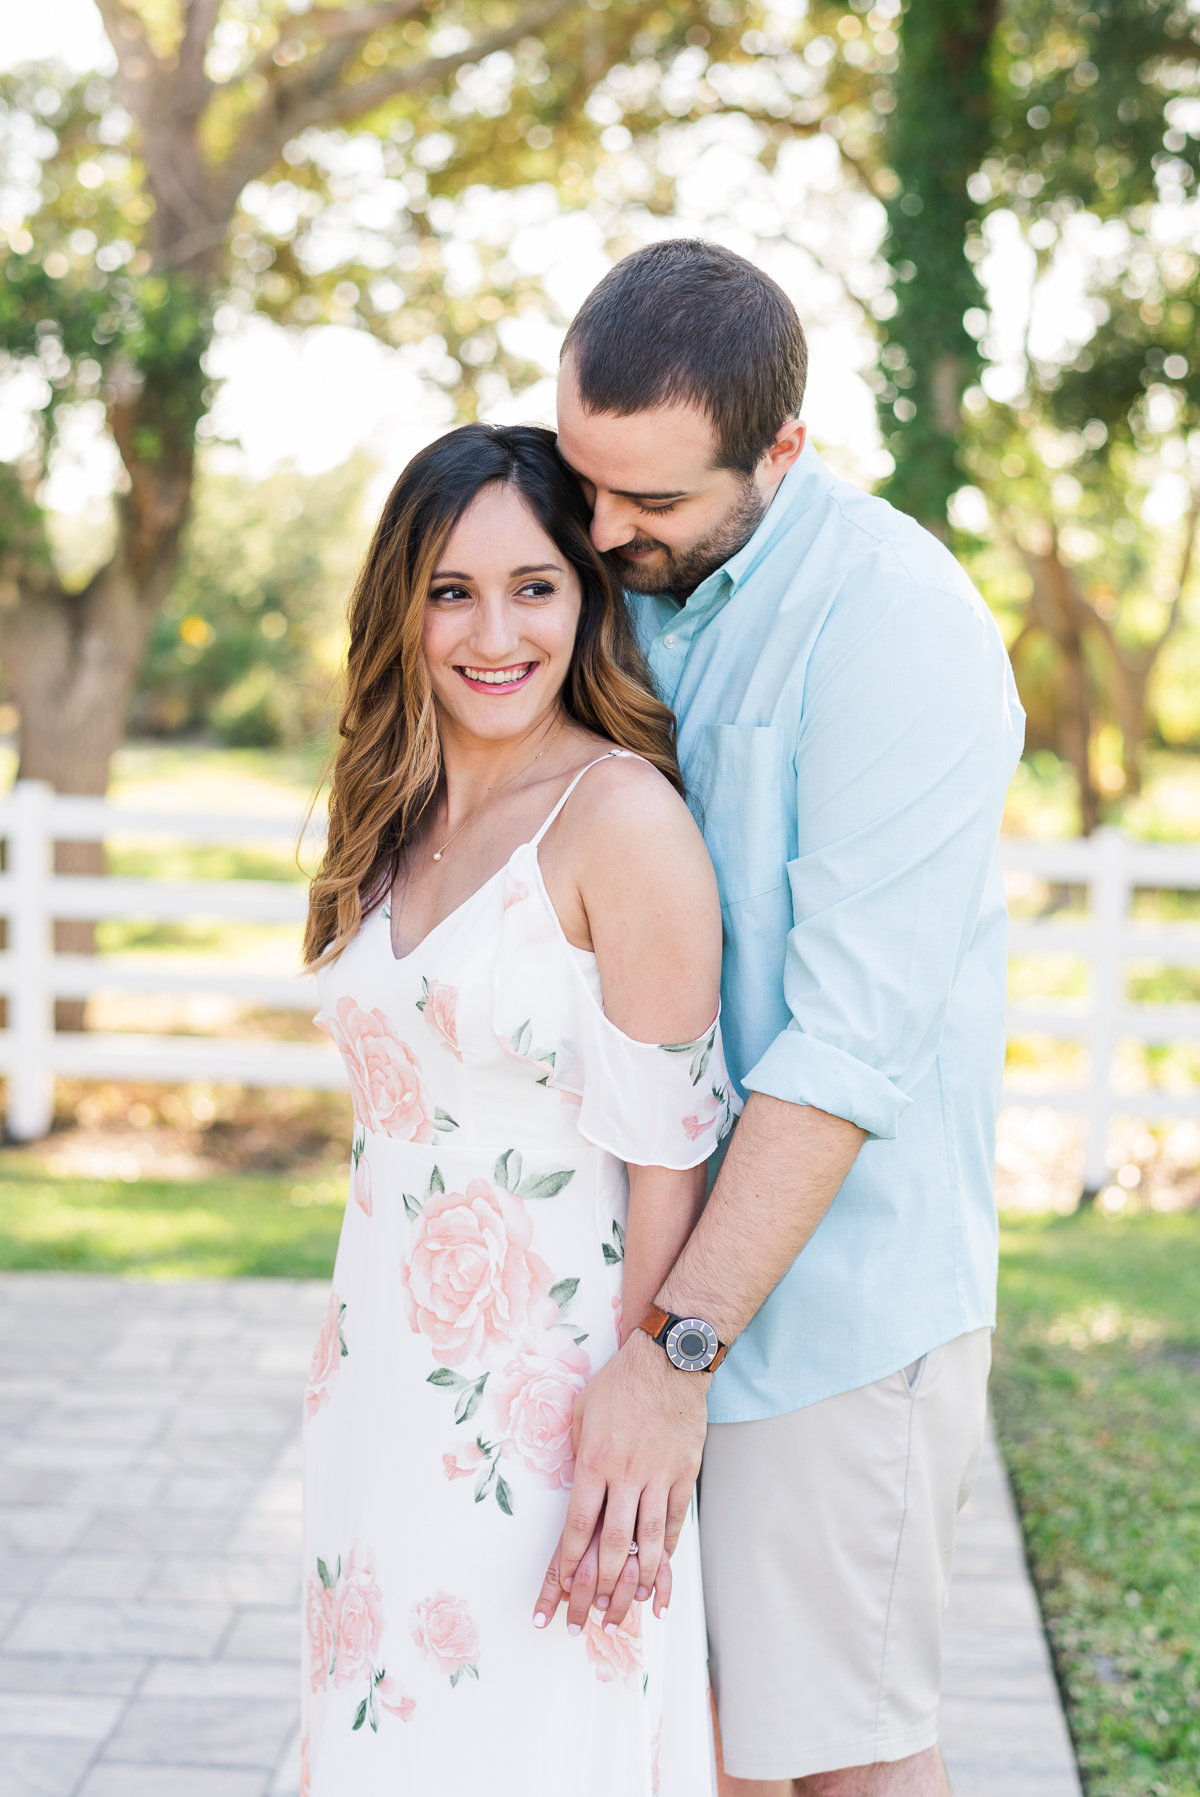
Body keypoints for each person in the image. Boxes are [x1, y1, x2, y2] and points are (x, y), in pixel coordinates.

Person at [538, 240, 1026, 1795]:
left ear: (785, 449)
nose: (606, 532)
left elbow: (846, 1049)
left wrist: (678, 1353)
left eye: (657, 506)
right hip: (630, 1297)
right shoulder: (610, 579)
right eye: (586, 483)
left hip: (827, 1316)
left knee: (842, 1759)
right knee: (703, 1756)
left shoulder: (895, 625)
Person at [299, 422, 737, 1795]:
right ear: (403, 606)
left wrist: (646, 1408)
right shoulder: (392, 807)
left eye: (534, 585)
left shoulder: (622, 821)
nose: (494, 630)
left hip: (545, 1424)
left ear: (588, 597)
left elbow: (670, 1159)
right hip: (376, 1388)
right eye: (450, 589)